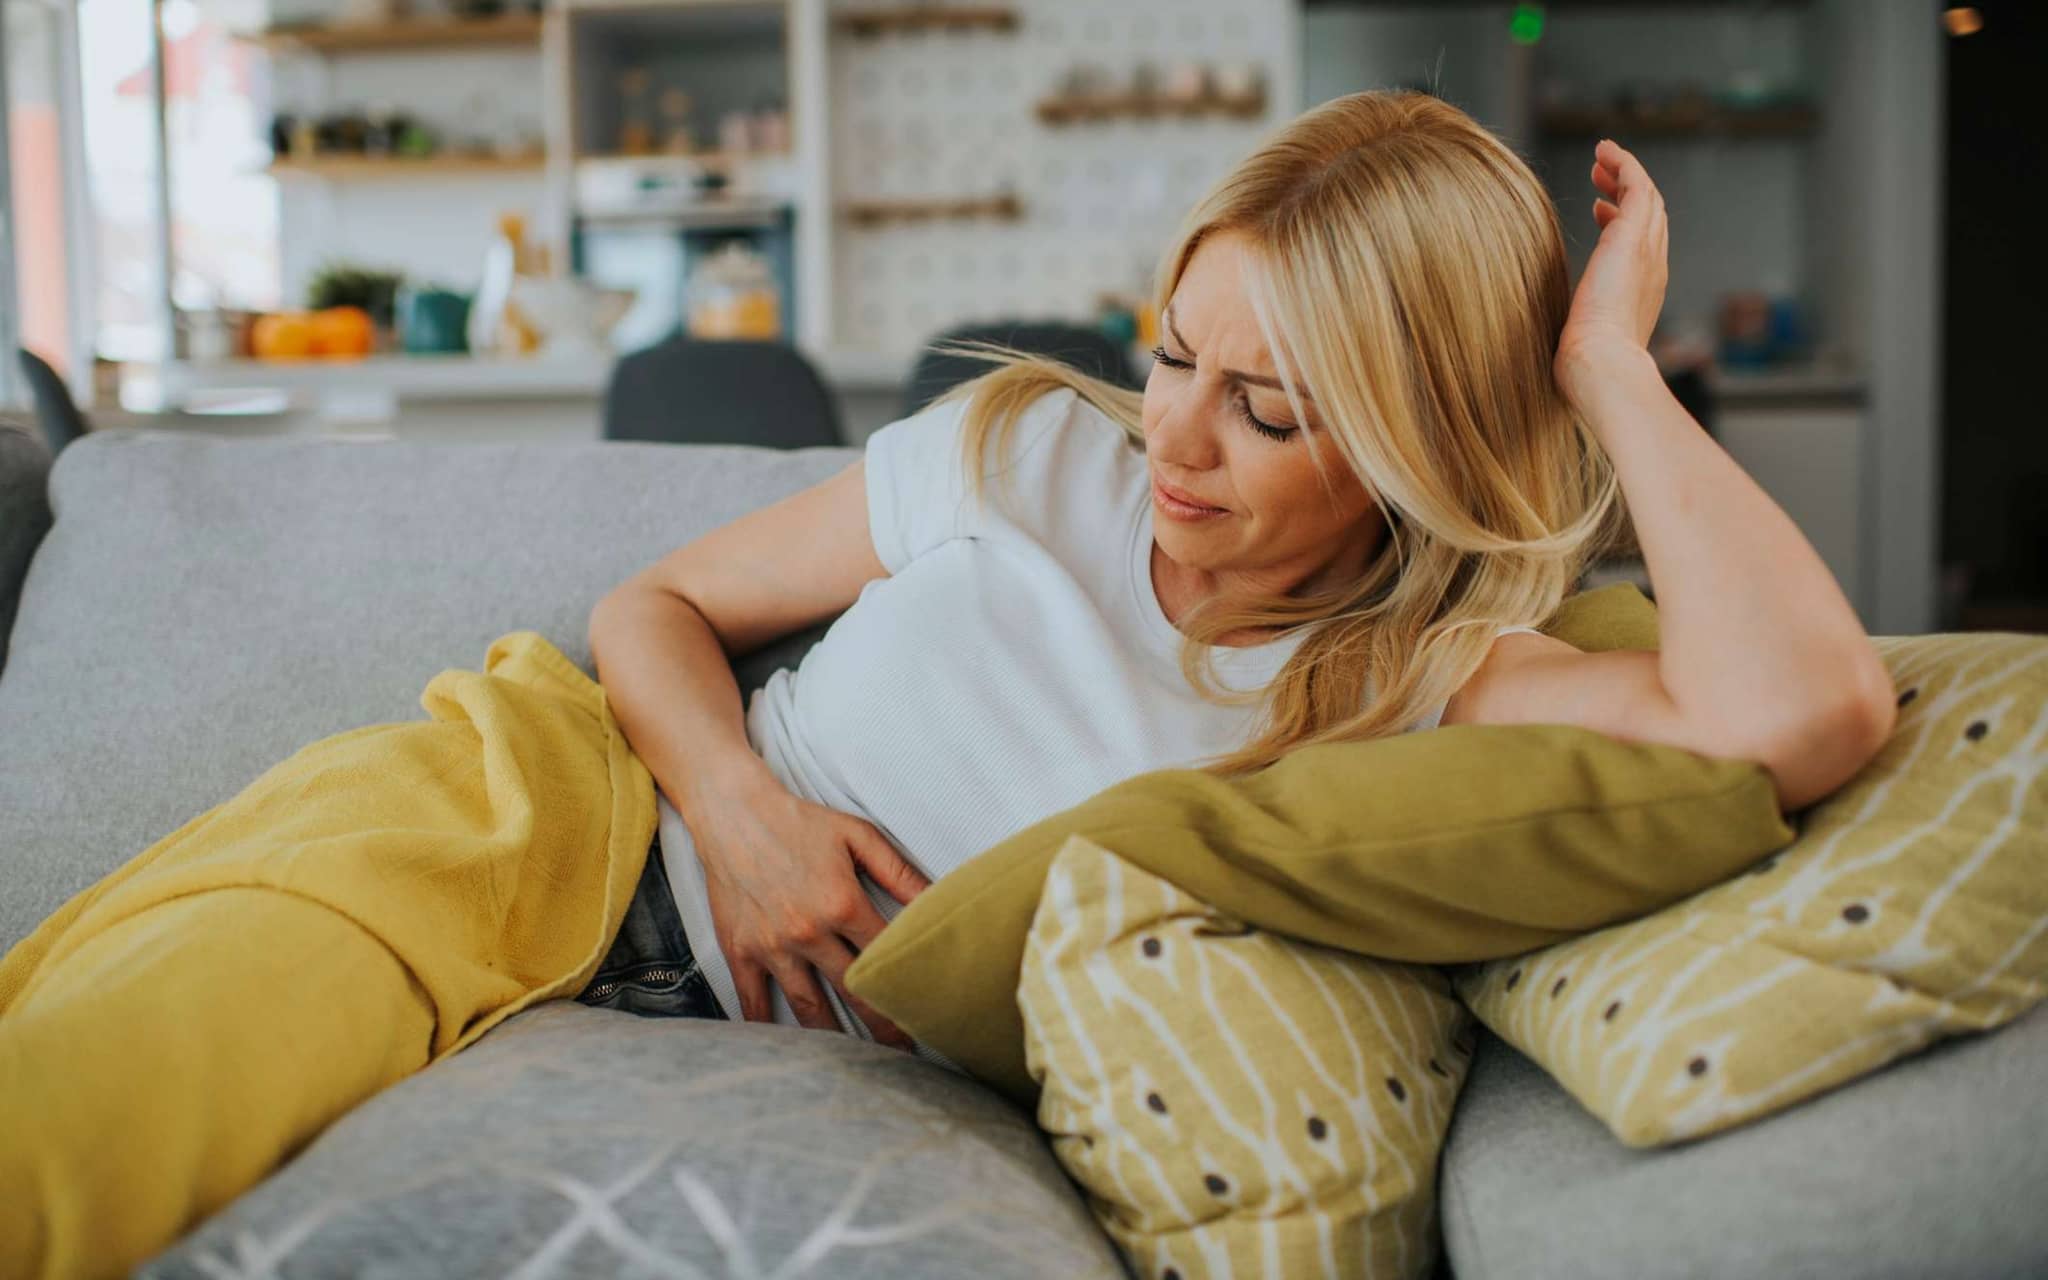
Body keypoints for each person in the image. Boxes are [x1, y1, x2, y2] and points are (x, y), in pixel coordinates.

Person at [0, 90, 1898, 1274]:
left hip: (758, 1017)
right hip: (548, 811)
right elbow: (650, 603)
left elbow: (1801, 716)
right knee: (97, 1101)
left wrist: (1609, 376)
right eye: (1172, 355)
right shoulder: (1030, 448)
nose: (1178, 439)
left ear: (1407, 448)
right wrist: (743, 821)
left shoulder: (1425, 681)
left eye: (1270, 410)